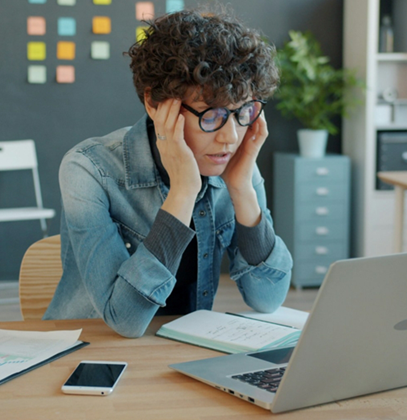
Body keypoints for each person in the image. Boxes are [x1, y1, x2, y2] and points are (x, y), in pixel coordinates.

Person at [43, 8, 292, 338]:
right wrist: (183, 192)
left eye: (243, 111)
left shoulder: (232, 165)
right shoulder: (90, 170)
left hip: (178, 351)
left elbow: (268, 298)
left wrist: (243, 188)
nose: (230, 136)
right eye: (211, 116)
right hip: (90, 351)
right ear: (155, 104)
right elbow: (125, 320)